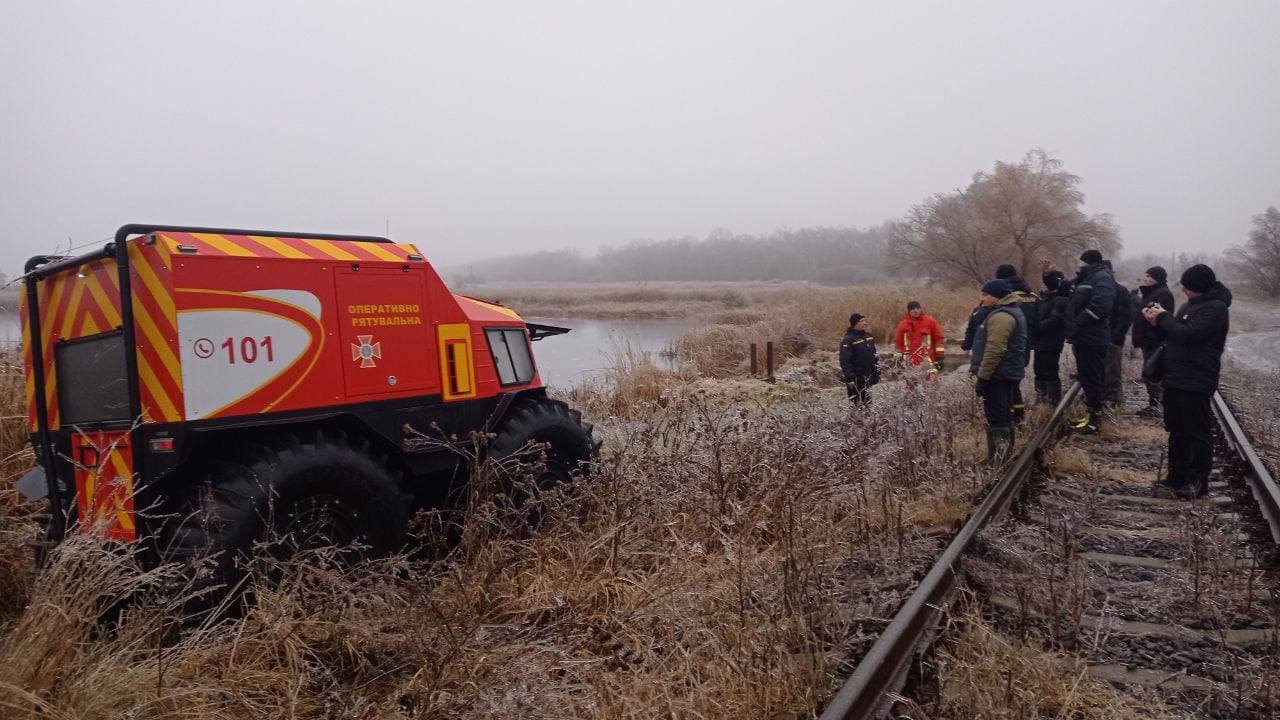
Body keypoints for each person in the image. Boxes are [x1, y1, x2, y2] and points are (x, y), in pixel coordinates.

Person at [1142, 264, 1231, 498]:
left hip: (1197, 378)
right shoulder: (1189, 305)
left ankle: (1197, 482)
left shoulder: (1216, 309)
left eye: (1187, 287)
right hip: (1176, 377)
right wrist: (1156, 323)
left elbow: (1190, 335)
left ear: (1198, 287)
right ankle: (1176, 477)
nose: (1183, 291)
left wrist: (1164, 317)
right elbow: (1174, 335)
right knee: (1176, 430)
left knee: (1197, 432)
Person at [1057, 249, 1117, 434]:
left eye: (1079, 261)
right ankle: (1090, 416)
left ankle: (1094, 421)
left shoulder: (1101, 277)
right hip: (1083, 338)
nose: (1077, 265)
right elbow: (1065, 289)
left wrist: (1078, 322)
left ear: (1086, 262)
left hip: (1093, 338)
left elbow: (1101, 306)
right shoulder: (1086, 277)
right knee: (1088, 377)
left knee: (1092, 378)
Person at [969, 279, 1029, 462]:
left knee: (997, 415)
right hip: (1007, 371)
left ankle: (998, 458)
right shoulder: (1011, 311)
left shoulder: (1001, 317)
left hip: (998, 374)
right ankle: (1004, 454)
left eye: (985, 295)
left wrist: (983, 377)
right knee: (1004, 412)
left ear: (996, 296)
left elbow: (995, 349)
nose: (982, 298)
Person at [995, 264, 1039, 424]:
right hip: (1025, 344)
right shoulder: (1032, 295)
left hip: (1007, 344)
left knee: (1007, 385)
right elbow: (1037, 320)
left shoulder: (1003, 297)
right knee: (1015, 382)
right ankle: (1019, 418)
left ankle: (1011, 418)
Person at [1130, 266, 1176, 417]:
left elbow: (1162, 319)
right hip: (1149, 341)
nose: (1146, 279)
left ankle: (1156, 406)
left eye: (1149, 276)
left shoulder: (1162, 294)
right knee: (1151, 372)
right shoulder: (1154, 292)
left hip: (1155, 342)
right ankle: (1154, 405)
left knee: (1153, 373)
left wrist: (1150, 337)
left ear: (1157, 278)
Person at [1032, 269, 1070, 404]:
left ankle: (1053, 402)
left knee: (1050, 372)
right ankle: (1041, 400)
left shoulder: (1061, 301)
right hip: (1040, 342)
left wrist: (1036, 326)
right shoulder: (1044, 299)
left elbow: (1056, 320)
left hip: (1052, 342)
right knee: (1039, 371)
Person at [1103, 264, 1133, 409]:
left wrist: (1115, 336)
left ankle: (1113, 399)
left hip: (1112, 339)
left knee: (1112, 371)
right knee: (1104, 370)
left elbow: (1126, 317)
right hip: (1100, 338)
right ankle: (1109, 397)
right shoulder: (1101, 290)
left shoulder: (1120, 291)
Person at [894, 301, 945, 380]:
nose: (916, 311)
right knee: (911, 388)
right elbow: (899, 344)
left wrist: (940, 357)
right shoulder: (902, 325)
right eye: (913, 309)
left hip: (929, 361)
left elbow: (939, 339)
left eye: (918, 308)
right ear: (909, 311)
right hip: (910, 362)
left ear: (921, 309)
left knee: (931, 387)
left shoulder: (930, 321)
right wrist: (898, 361)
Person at [839, 313, 879, 404]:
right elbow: (845, 361)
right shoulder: (848, 340)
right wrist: (850, 378)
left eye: (865, 320)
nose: (865, 323)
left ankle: (868, 418)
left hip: (868, 377)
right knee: (856, 406)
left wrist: (877, 371)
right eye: (861, 321)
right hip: (856, 379)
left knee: (868, 404)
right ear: (855, 324)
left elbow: (874, 355)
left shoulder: (868, 336)